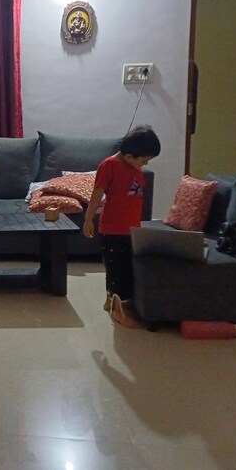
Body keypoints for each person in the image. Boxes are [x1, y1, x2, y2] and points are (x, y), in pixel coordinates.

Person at [83, 125, 161, 329]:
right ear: (128, 155)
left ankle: (110, 300)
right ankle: (120, 309)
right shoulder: (108, 166)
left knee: (119, 265)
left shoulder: (134, 167)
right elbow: (97, 194)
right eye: (144, 160)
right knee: (119, 269)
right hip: (113, 229)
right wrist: (88, 219)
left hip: (131, 228)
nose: (145, 164)